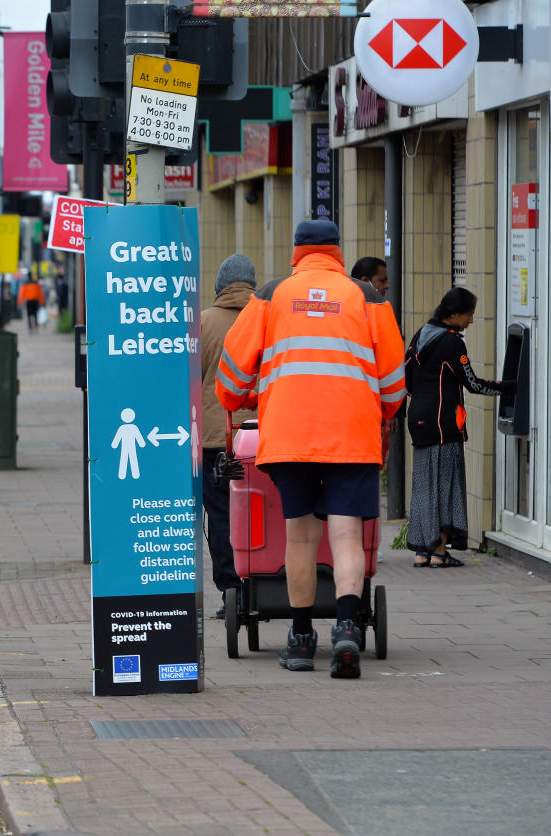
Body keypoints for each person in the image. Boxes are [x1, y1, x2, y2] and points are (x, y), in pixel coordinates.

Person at [216, 220, 405, 679]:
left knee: (300, 536)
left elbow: (231, 375)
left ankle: (300, 640)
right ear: (338, 253)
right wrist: (379, 411)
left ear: (296, 253)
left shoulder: (271, 295)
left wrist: (243, 399)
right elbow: (395, 383)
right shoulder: (368, 298)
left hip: (289, 438)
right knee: (345, 537)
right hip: (352, 438)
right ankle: (345, 627)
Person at [404, 288, 513, 568]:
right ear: (454, 314)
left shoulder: (421, 335)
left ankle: (421, 552)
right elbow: (473, 384)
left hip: (418, 418)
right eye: (469, 314)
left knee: (424, 486)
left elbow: (405, 380)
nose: (471, 321)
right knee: (445, 485)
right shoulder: (451, 343)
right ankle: (440, 552)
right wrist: (509, 388)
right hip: (444, 423)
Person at [200, 254, 257, 618]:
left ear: (219, 288)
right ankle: (265, 582)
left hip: (215, 438)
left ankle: (231, 591)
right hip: (263, 436)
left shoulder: (201, 323)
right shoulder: (268, 319)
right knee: (264, 509)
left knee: (221, 513)